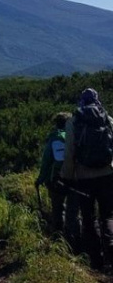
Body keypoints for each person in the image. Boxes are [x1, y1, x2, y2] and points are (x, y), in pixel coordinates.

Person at [61, 88, 113, 270]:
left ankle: (96, 260)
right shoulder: (108, 119)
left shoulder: (73, 122)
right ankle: (111, 251)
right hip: (107, 175)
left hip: (84, 178)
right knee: (108, 215)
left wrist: (67, 177)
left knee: (89, 218)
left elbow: (69, 154)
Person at [36, 112, 80, 247]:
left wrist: (40, 180)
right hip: (75, 178)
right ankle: (76, 240)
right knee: (74, 211)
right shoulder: (76, 137)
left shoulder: (54, 138)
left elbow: (46, 162)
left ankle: (59, 241)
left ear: (57, 123)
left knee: (58, 209)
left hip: (56, 180)